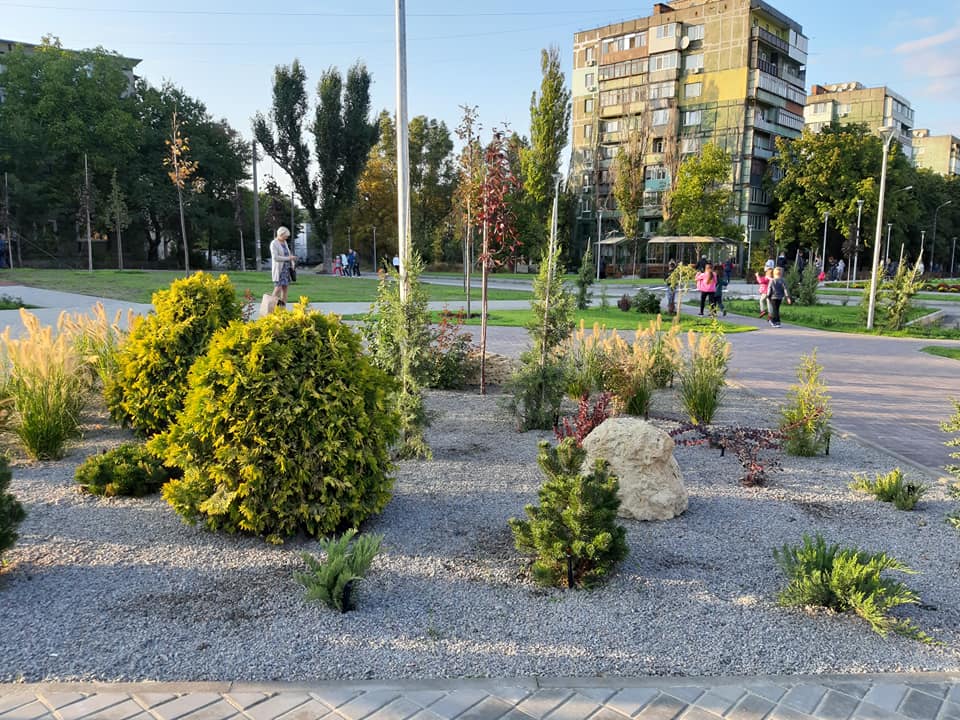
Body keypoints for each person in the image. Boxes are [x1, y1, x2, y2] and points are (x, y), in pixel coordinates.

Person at [270, 226, 296, 308]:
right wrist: (288, 258)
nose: (286, 238)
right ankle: (270, 307)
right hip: (279, 270)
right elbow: (275, 257)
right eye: (285, 236)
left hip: (286, 269)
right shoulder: (274, 243)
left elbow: (288, 254)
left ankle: (282, 308)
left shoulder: (284, 243)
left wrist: (292, 262)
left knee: (285, 289)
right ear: (280, 234)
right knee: (278, 288)